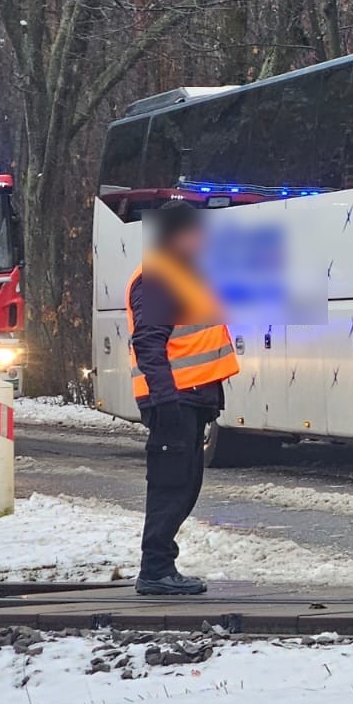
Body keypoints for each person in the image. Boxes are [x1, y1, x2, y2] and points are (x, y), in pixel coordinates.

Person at [127, 202, 240, 596]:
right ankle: (155, 569)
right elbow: (148, 341)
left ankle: (160, 566)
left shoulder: (184, 274)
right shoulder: (159, 278)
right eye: (196, 231)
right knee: (170, 485)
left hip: (190, 399)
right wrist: (165, 401)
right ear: (178, 235)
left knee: (184, 484)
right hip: (174, 400)